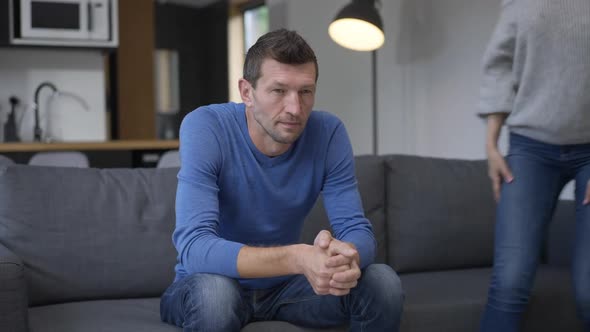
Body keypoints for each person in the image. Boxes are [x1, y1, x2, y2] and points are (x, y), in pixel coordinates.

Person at [159, 29, 403, 332]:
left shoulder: (328, 133)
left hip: (286, 291)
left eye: (305, 91)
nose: (295, 109)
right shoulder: (206, 126)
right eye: (279, 91)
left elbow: (357, 230)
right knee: (216, 296)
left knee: (382, 282)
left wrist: (344, 256)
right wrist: (299, 258)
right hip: (209, 284)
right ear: (247, 92)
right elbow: (195, 249)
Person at [478, 0, 590, 331]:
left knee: (589, 292)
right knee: (510, 283)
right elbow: (499, 66)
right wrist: (491, 145)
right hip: (530, 148)